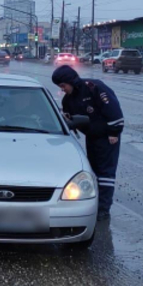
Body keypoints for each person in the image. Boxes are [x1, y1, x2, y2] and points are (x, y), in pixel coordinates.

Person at [51, 64, 124, 220]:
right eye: (60, 87)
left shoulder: (94, 88)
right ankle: (95, 205)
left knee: (106, 174)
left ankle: (103, 210)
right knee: (94, 172)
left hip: (108, 137)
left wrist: (114, 132)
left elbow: (113, 111)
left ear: (70, 80)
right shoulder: (69, 100)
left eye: (63, 85)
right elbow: (69, 119)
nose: (62, 89)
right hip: (92, 137)